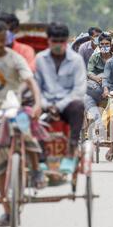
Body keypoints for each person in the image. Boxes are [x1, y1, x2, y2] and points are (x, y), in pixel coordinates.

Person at [0, 20, 45, 227]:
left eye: (1, 41)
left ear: (7, 40)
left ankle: (36, 168)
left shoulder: (15, 58)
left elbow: (31, 82)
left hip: (12, 105)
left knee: (26, 126)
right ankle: (6, 210)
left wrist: (38, 103)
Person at [35, 22, 87, 155]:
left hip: (67, 104)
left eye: (61, 41)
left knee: (78, 106)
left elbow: (79, 90)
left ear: (67, 41)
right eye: (54, 41)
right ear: (49, 41)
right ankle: (38, 154)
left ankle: (72, 148)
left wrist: (59, 106)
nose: (58, 44)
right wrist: (45, 105)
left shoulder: (76, 60)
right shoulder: (40, 59)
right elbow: (36, 87)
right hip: (44, 104)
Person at [85, 32, 113, 134]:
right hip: (96, 86)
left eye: (107, 44)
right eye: (102, 44)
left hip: (112, 87)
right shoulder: (95, 57)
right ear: (99, 45)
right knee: (85, 96)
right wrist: (96, 78)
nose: (104, 46)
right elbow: (89, 72)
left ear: (111, 45)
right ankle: (98, 122)